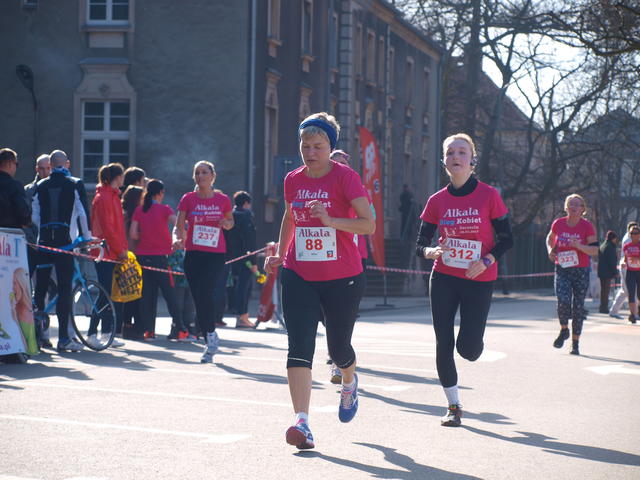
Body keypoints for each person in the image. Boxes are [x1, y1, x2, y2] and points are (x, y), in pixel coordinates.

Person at [264, 112, 375, 450]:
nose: (310, 152)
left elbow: (368, 224)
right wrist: (280, 252)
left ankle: (349, 380)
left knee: (339, 349)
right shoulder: (293, 179)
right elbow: (289, 216)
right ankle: (302, 422)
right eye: (305, 146)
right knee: (299, 346)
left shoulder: (346, 178)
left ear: (330, 148)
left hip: (343, 277)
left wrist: (331, 221)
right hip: (299, 273)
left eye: (317, 146)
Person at [415, 133, 513, 428]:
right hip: (444, 276)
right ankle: (453, 405)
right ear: (444, 161)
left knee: (468, 350)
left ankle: (472, 342)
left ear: (472, 161)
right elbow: (421, 243)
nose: (455, 157)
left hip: (478, 278)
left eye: (462, 152)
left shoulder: (489, 195)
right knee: (443, 341)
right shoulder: (437, 200)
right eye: (450, 153)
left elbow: (507, 239)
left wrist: (486, 260)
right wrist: (431, 251)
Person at [31, 151, 93, 352]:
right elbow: (83, 213)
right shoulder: (75, 183)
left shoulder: (41, 185)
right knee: (65, 289)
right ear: (67, 164)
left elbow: (34, 216)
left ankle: (38, 337)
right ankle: (64, 338)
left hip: (44, 243)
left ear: (50, 165)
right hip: (65, 244)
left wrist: (44, 231)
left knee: (40, 290)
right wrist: (87, 237)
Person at [173, 161, 234, 363]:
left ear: (212, 176)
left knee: (206, 293)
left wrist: (226, 223)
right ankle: (210, 336)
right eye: (197, 173)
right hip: (193, 254)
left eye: (204, 172)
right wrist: (177, 239)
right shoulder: (188, 199)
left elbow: (231, 221)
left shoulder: (223, 199)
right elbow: (178, 226)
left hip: (215, 254)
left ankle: (209, 337)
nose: (201, 176)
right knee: (198, 297)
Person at [328, 148, 373, 384]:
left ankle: (338, 359)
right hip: (323, 257)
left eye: (343, 164)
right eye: (334, 163)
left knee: (344, 313)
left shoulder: (357, 188)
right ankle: (337, 352)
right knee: (325, 312)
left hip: (353, 256)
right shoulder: (317, 187)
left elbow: (370, 220)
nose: (339, 167)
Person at [546, 194, 598, 356]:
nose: (574, 207)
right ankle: (564, 330)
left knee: (578, 307)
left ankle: (575, 344)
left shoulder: (587, 226)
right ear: (566, 207)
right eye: (571, 204)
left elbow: (595, 250)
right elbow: (550, 238)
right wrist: (550, 250)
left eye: (577, 204)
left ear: (583, 209)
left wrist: (579, 246)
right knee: (563, 300)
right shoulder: (558, 223)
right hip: (562, 268)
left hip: (580, 270)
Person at [130, 179, 183, 339]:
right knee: (169, 294)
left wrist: (146, 234)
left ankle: (149, 330)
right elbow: (178, 224)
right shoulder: (165, 209)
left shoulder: (139, 210)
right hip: (161, 258)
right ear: (160, 193)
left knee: (147, 295)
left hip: (142, 257)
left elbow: (133, 234)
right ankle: (181, 328)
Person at [90, 163, 128, 348]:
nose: (123, 179)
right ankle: (92, 332)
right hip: (104, 251)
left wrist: (122, 248)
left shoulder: (111, 196)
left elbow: (117, 228)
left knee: (108, 293)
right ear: (117, 177)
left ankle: (106, 332)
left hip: (110, 250)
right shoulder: (105, 197)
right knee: (104, 292)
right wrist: (120, 250)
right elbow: (108, 228)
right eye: (122, 175)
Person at [227, 191, 257, 328]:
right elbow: (250, 240)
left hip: (229, 256)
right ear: (246, 203)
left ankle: (238, 315)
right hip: (246, 257)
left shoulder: (229, 216)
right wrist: (254, 261)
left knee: (233, 286)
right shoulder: (246, 217)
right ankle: (242, 317)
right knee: (244, 287)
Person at [121, 185, 145, 340]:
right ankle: (133, 327)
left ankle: (127, 326)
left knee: (129, 294)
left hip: (125, 256)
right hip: (133, 256)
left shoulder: (123, 214)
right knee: (135, 295)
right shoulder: (135, 215)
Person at [609, 221, 638, 318]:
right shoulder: (628, 239)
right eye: (634, 231)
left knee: (625, 291)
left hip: (630, 266)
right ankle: (634, 313)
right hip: (628, 266)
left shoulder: (629, 238)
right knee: (632, 290)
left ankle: (614, 311)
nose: (635, 233)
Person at [0, 148, 31, 230]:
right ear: (9, 163)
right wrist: (26, 222)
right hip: (11, 233)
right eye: (16, 164)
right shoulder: (14, 186)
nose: (16, 168)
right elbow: (23, 211)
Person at [597, 230, 618, 314]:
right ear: (613, 238)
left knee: (603, 291)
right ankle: (604, 308)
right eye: (615, 239)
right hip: (607, 272)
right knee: (606, 291)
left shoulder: (603, 245)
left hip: (602, 271)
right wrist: (615, 272)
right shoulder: (610, 247)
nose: (616, 241)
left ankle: (602, 306)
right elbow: (612, 261)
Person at [622, 225, 640, 324]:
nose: (634, 235)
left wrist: (636, 259)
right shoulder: (626, 246)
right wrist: (623, 263)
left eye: (636, 233)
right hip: (630, 272)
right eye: (632, 233)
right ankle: (632, 314)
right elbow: (625, 259)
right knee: (631, 293)